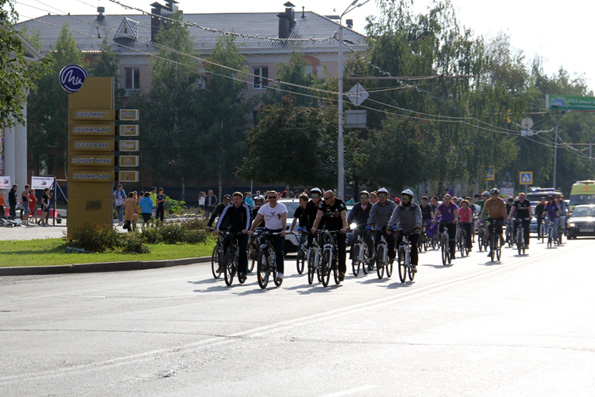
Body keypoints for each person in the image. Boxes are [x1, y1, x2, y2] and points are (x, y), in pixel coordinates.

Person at [250, 190, 287, 283]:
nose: (272, 199)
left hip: (278, 231)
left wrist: (283, 230)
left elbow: (284, 219)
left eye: (274, 197)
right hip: (268, 230)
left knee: (279, 251)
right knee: (262, 241)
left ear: (277, 198)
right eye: (270, 197)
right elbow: (257, 219)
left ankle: (280, 273)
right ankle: (264, 259)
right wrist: (251, 230)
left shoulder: (281, 207)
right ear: (267, 198)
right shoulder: (264, 208)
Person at [311, 189, 348, 281]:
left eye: (327, 198)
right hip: (328, 226)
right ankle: (324, 261)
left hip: (339, 227)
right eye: (324, 198)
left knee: (341, 249)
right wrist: (314, 227)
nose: (325, 200)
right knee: (322, 242)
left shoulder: (340, 204)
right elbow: (318, 216)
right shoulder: (323, 204)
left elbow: (344, 217)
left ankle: (341, 271)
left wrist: (344, 228)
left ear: (332, 198)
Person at [217, 192, 252, 279]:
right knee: (225, 242)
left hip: (243, 230)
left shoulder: (245, 207)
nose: (235, 201)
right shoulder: (229, 206)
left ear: (241, 199)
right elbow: (222, 217)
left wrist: (246, 229)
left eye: (237, 199)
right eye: (234, 199)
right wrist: (218, 228)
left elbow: (249, 218)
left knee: (243, 251)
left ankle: (243, 271)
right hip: (232, 229)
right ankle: (227, 261)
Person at [388, 189, 422, 272]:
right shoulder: (399, 207)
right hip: (402, 228)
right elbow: (393, 217)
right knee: (398, 242)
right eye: (403, 198)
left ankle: (413, 265)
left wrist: (418, 226)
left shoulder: (415, 207)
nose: (404, 200)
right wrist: (389, 226)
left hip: (414, 229)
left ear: (410, 199)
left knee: (414, 245)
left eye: (406, 198)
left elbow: (418, 217)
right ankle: (401, 254)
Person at [367, 187, 397, 265]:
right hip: (379, 226)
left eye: (383, 196)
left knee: (390, 240)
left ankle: (391, 257)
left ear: (387, 196)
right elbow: (371, 215)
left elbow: (395, 215)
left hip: (389, 226)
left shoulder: (392, 204)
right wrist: (369, 223)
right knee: (376, 241)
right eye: (380, 196)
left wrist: (393, 225)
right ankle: (376, 257)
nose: (382, 198)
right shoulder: (375, 206)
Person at [347, 190, 374, 264]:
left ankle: (370, 255)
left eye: (365, 198)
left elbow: (373, 216)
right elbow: (351, 215)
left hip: (368, 225)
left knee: (368, 239)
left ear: (368, 198)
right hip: (358, 225)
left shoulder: (371, 206)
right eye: (361, 198)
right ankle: (353, 257)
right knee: (354, 238)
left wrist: (371, 225)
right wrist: (348, 223)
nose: (363, 200)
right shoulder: (357, 206)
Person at [480, 188, 507, 256]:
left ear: (497, 195)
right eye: (492, 195)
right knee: (489, 230)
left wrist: (505, 219)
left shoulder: (501, 201)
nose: (493, 196)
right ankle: (491, 249)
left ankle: (501, 237)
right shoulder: (488, 201)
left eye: (495, 195)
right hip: (491, 218)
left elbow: (503, 210)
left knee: (499, 229)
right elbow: (484, 210)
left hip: (499, 217)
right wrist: (482, 218)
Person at [433, 194, 459, 259]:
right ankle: (442, 241)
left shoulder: (453, 206)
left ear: (450, 200)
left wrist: (455, 219)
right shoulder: (441, 206)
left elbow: (456, 214)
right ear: (443, 199)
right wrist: (434, 219)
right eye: (445, 199)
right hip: (443, 221)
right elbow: (436, 213)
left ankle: (452, 253)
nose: (446, 201)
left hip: (451, 222)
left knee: (452, 238)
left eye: (448, 199)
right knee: (440, 232)